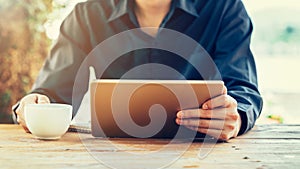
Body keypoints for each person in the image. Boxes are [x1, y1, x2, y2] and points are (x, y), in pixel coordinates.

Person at [13, 0, 263, 141]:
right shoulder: (87, 15)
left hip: (198, 155)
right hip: (108, 160)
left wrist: (237, 116)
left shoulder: (224, 9)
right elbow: (51, 93)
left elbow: (243, 88)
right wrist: (33, 105)